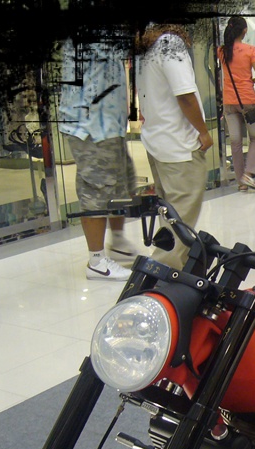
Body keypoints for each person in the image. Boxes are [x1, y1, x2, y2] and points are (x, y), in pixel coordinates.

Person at [58, 37, 139, 281]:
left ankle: (118, 242)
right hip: (91, 125)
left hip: (109, 122)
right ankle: (96, 261)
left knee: (120, 183)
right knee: (96, 189)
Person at [136, 23, 213, 269]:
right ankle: (162, 277)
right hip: (180, 146)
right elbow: (185, 95)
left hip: (158, 142)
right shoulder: (171, 44)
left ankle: (173, 270)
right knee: (180, 224)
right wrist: (203, 132)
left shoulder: (148, 46)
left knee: (169, 217)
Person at [219, 16, 255, 193]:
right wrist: (249, 81)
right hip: (247, 100)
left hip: (229, 101)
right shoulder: (250, 50)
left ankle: (241, 182)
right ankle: (248, 173)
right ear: (245, 31)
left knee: (235, 142)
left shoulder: (221, 51)